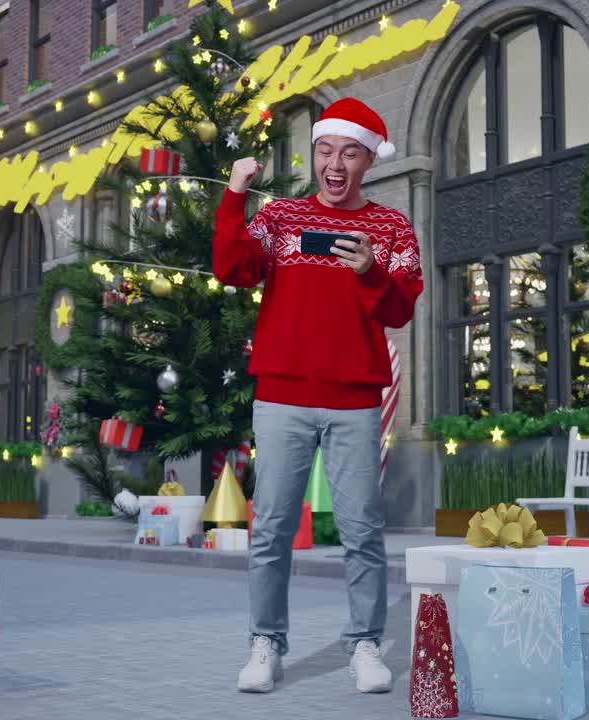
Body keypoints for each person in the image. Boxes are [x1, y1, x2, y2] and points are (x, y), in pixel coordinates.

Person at [212, 97, 424, 694]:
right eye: (325, 150)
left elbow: (403, 309)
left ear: (366, 161)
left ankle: (364, 644)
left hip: (354, 399)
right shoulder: (279, 219)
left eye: (348, 153)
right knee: (272, 526)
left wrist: (370, 273)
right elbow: (231, 269)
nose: (335, 163)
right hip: (281, 397)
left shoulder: (391, 228)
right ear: (315, 154)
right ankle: (266, 643)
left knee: (362, 529)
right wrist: (234, 194)